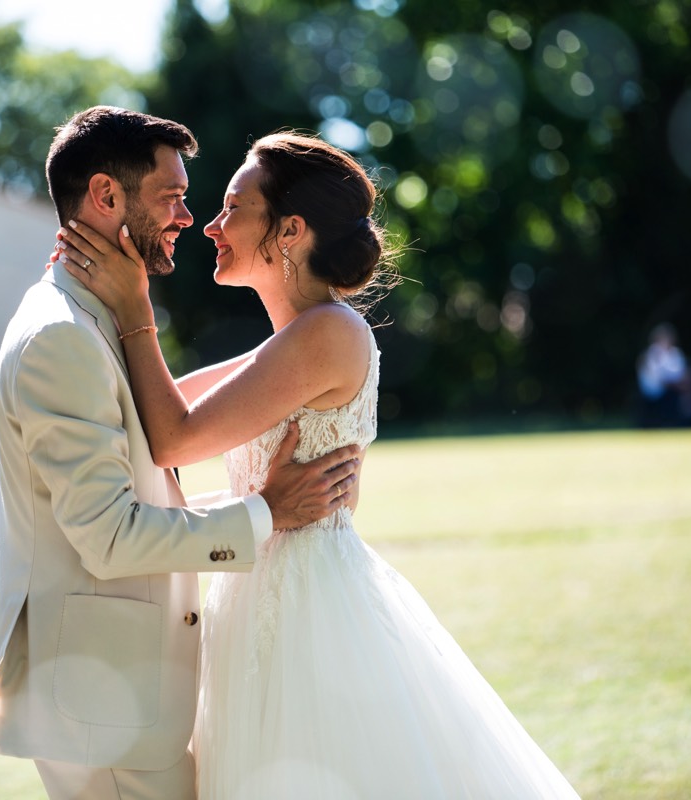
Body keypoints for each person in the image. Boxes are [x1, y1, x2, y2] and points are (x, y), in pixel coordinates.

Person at [57, 131, 581, 798]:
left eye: (232, 208)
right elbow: (154, 404)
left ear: (290, 230)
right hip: (258, 595)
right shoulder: (289, 342)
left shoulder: (329, 334)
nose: (212, 227)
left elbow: (172, 438)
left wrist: (135, 304)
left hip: (310, 612)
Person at [0, 107, 363, 800]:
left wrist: (267, 510)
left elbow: (142, 496)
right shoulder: (63, 336)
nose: (189, 217)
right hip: (104, 706)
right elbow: (113, 537)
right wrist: (265, 512)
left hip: (123, 696)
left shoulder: (89, 326)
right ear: (106, 197)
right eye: (171, 197)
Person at [636, 322, 690, 427]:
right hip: (653, 392)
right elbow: (656, 377)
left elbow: (680, 374)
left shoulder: (675, 353)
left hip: (671, 389)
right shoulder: (651, 354)